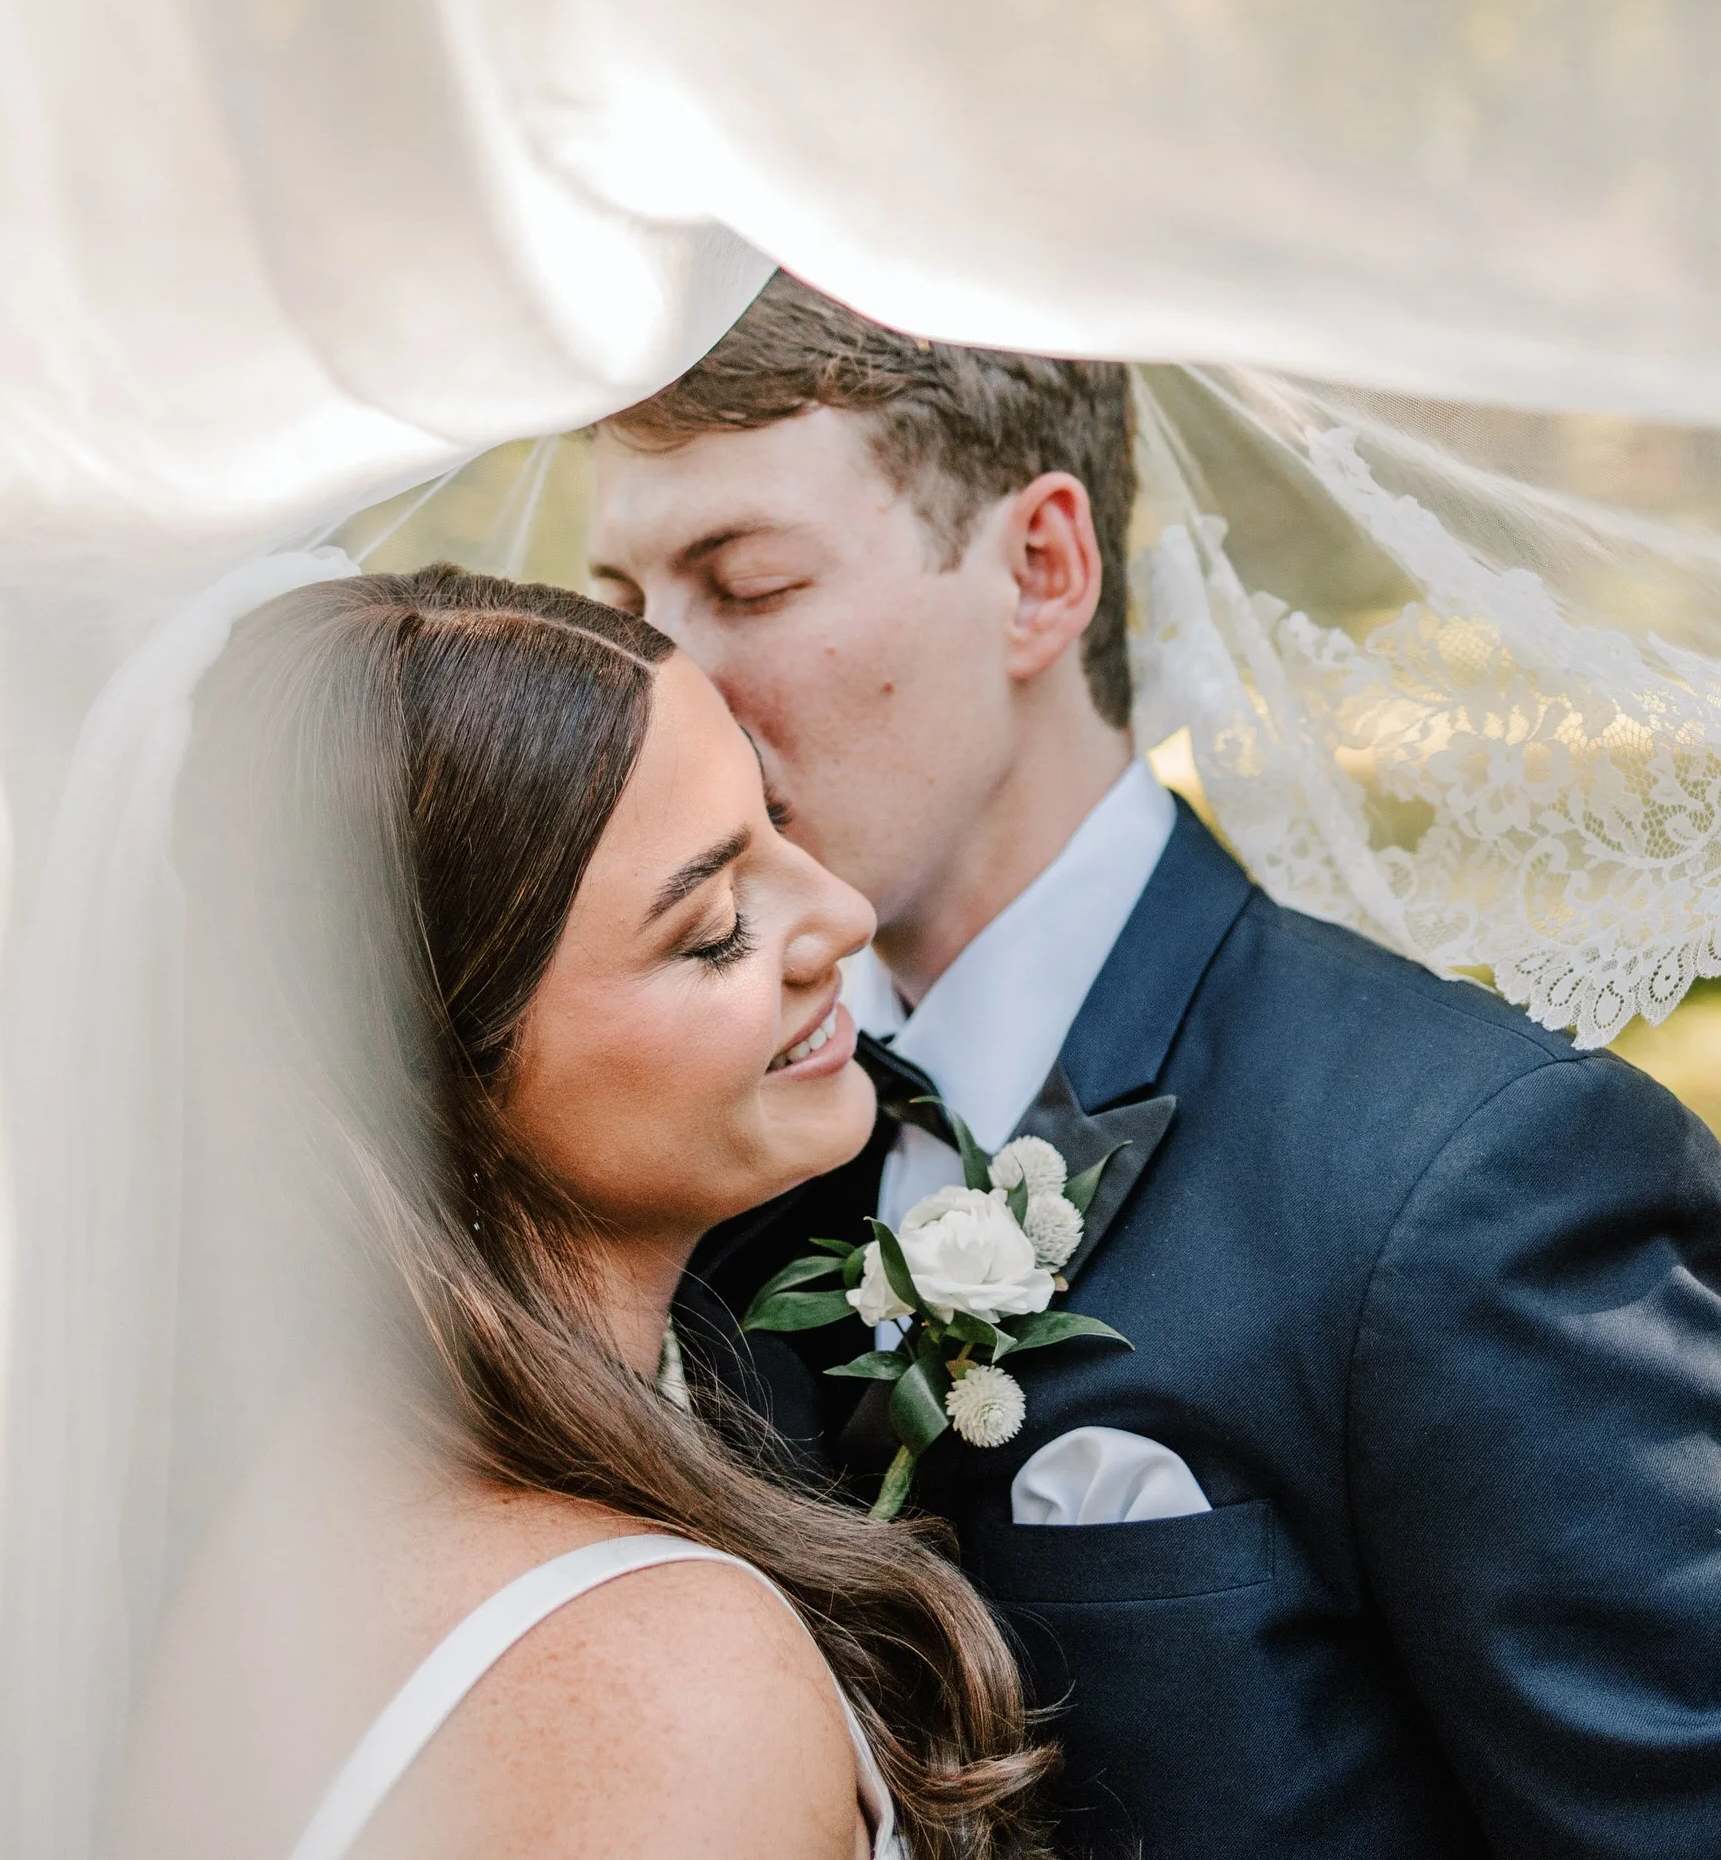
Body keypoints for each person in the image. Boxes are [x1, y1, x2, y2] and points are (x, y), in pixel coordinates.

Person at [590, 272, 1721, 1860]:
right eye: (628, 608)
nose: (670, 693)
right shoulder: (689, 1165)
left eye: (751, 584)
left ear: (1041, 572)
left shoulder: (1466, 1175)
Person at [120, 566, 1055, 1860]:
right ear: (438, 1081)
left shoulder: (286, 1520)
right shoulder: (668, 1686)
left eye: (776, 819)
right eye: (715, 924)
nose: (838, 914)